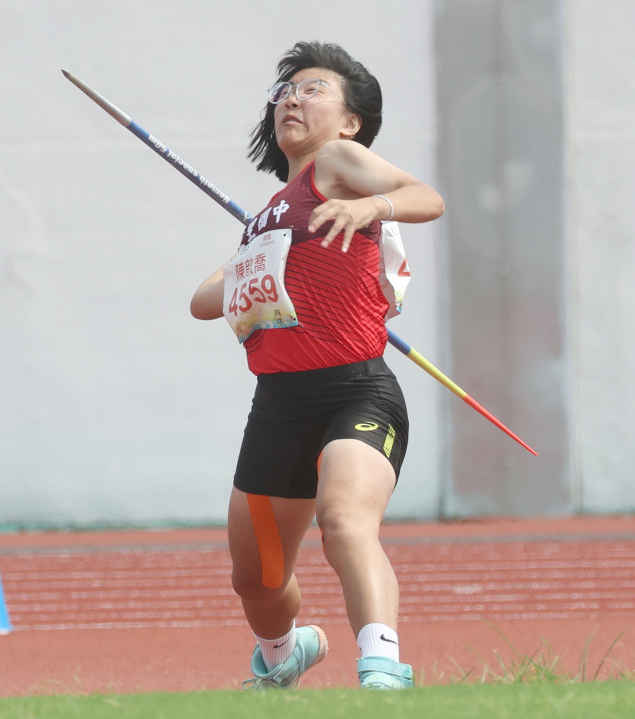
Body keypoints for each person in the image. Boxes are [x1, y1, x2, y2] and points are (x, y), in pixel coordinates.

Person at [190, 41, 444, 690]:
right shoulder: (268, 218)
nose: (292, 100)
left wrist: (368, 207)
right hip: (276, 412)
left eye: (313, 89)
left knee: (344, 518)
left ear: (350, 121)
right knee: (259, 575)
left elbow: (426, 197)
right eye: (285, 92)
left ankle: (383, 666)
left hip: (354, 394)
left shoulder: (337, 162)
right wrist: (261, 252)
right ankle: (283, 653)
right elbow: (201, 302)